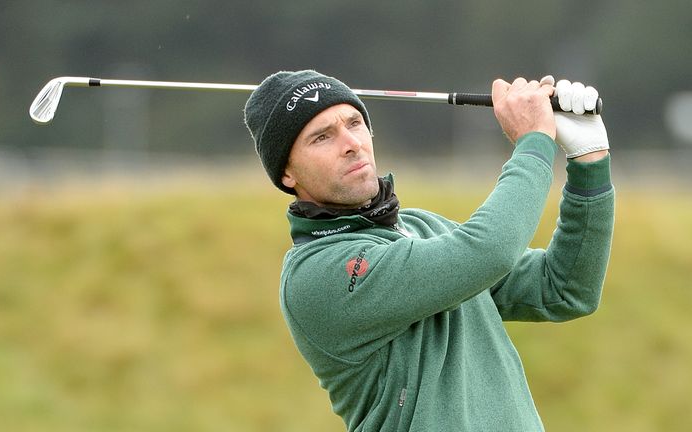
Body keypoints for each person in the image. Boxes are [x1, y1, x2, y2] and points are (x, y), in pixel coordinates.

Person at [243, 69, 614, 431]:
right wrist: (534, 141)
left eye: (354, 123)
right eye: (321, 137)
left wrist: (589, 161)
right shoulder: (317, 274)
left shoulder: (421, 228)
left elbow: (565, 288)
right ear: (287, 174)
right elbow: (488, 251)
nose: (351, 143)